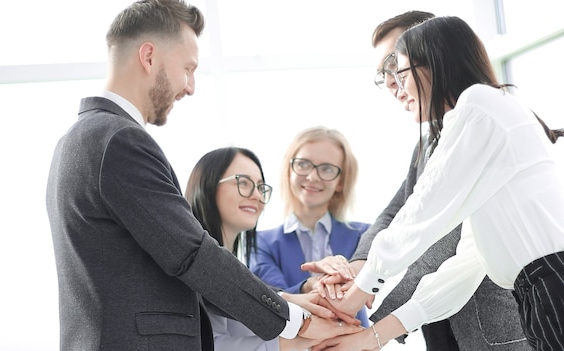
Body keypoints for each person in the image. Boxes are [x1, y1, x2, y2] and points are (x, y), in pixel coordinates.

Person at [45, 1, 358, 350]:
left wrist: (288, 302)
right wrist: (292, 320)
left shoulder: (80, 139)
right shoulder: (121, 140)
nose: (190, 86)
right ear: (149, 57)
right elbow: (191, 254)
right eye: (188, 68)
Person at [309, 16, 564, 351]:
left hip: (545, 291)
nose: (394, 86)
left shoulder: (478, 106)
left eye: (398, 70)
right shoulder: (489, 114)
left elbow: (420, 216)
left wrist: (359, 291)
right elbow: (466, 263)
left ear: (432, 61)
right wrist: (372, 336)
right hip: (541, 292)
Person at [185, 147, 343, 351]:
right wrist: (289, 343)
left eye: (261, 187)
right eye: (243, 183)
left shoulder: (240, 269)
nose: (257, 196)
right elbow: (204, 343)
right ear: (207, 185)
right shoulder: (192, 265)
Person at [250, 126, 370, 327]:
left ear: (340, 181)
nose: (313, 177)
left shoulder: (364, 236)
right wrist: (311, 285)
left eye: (327, 169)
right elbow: (274, 298)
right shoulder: (260, 243)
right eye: (304, 164)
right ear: (289, 171)